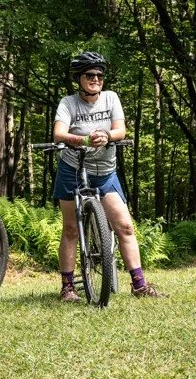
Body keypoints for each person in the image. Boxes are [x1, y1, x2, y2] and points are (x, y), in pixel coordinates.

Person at [52, 51, 163, 301]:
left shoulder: (111, 98)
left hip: (105, 172)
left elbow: (120, 130)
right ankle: (68, 287)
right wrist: (83, 140)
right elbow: (59, 134)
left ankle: (139, 285)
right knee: (70, 229)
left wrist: (107, 136)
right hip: (72, 170)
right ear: (78, 78)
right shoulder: (68, 103)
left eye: (100, 75)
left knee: (124, 226)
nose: (96, 79)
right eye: (90, 75)